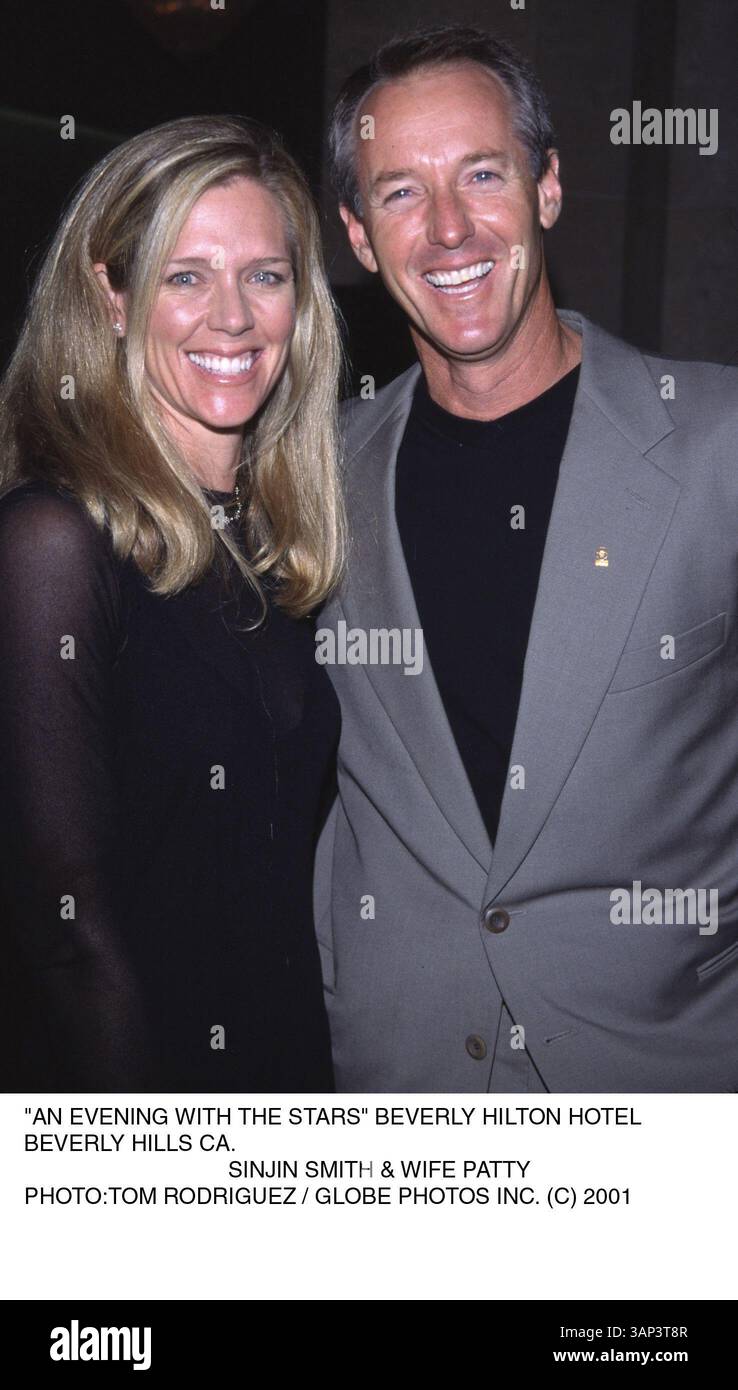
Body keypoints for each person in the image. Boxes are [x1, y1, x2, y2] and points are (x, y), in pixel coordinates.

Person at [314, 25, 738, 1092]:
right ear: (359, 238)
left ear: (548, 188)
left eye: (483, 175)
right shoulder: (312, 479)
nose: (450, 230)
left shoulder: (717, 443)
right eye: (401, 194)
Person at [0, 114, 345, 1092]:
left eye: (264, 276)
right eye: (185, 275)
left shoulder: (284, 554)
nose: (231, 316)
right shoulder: (51, 542)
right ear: (111, 294)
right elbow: (70, 941)